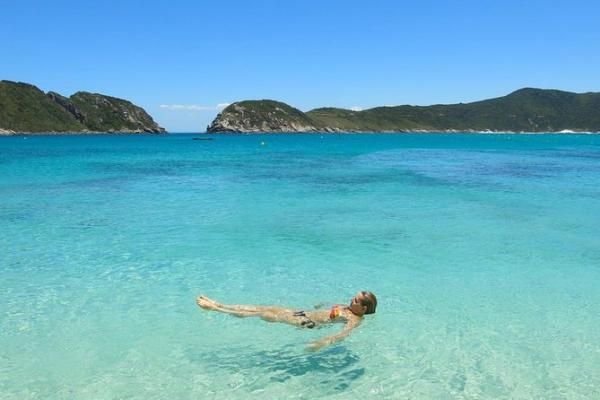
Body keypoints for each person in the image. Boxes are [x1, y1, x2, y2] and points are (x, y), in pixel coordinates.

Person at [196, 291, 377, 351]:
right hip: (302, 313)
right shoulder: (348, 309)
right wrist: (323, 304)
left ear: (363, 309)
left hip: (305, 322)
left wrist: (322, 342)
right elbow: (331, 307)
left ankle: (215, 309)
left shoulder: (355, 319)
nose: (350, 300)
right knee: (264, 307)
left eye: (355, 301)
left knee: (265, 315)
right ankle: (220, 303)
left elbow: (343, 334)